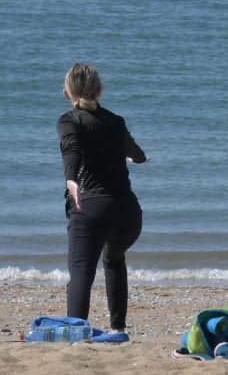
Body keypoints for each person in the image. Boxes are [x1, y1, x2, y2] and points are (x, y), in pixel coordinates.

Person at [58, 63, 147, 333]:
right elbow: (138, 154)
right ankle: (118, 328)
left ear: (67, 92)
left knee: (82, 272)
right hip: (127, 213)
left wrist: (71, 179)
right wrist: (137, 158)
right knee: (114, 258)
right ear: (100, 90)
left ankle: (76, 332)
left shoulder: (69, 120)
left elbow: (71, 149)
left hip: (91, 209)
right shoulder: (116, 121)